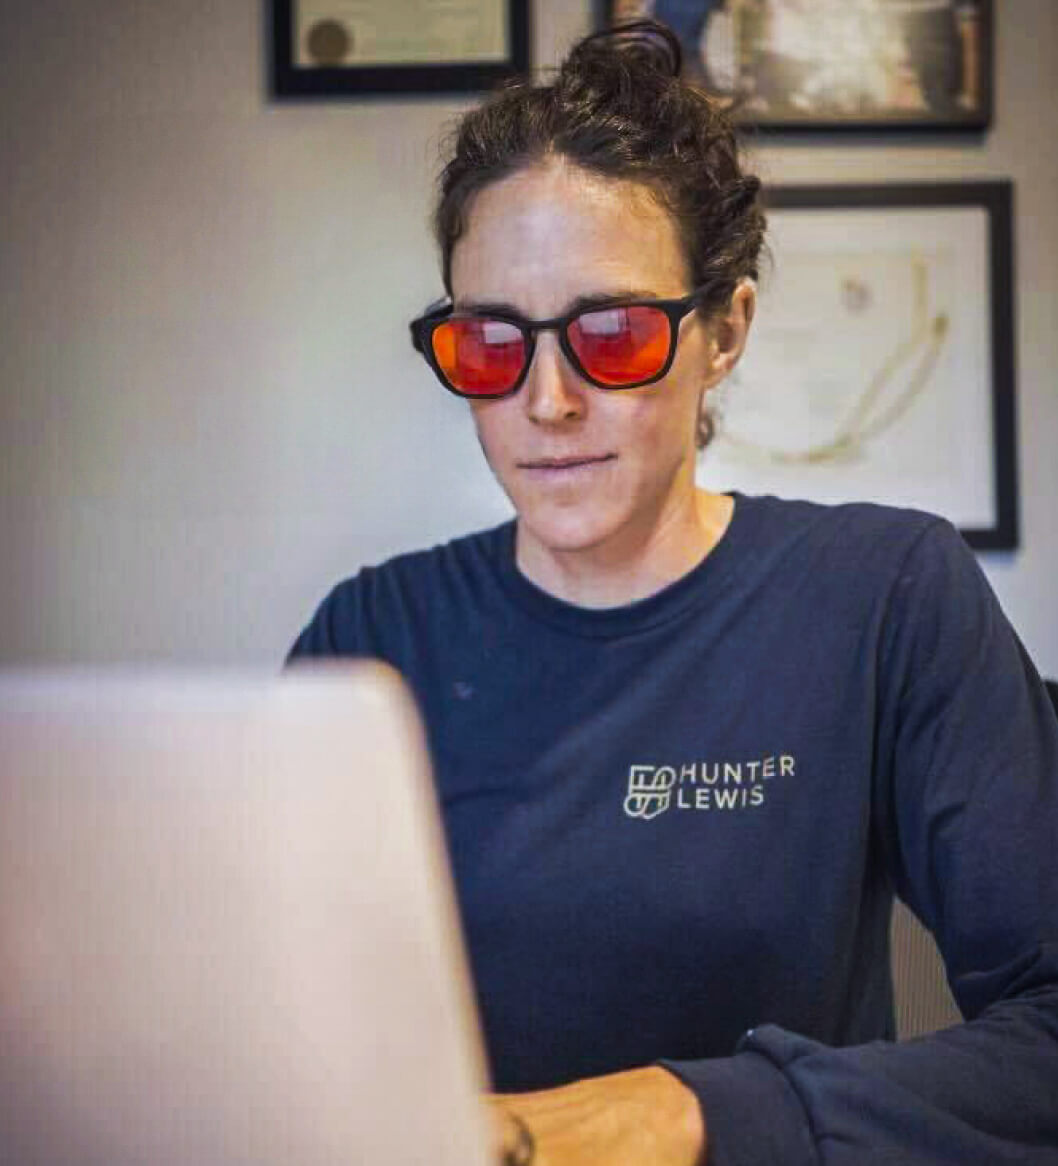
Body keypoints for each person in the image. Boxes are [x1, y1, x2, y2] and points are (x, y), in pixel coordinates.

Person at [286, 21, 1058, 1166]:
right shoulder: (368, 639)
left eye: (610, 332)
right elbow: (267, 1024)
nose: (546, 402)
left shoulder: (885, 597)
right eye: (491, 346)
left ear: (723, 330)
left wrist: (693, 1111)